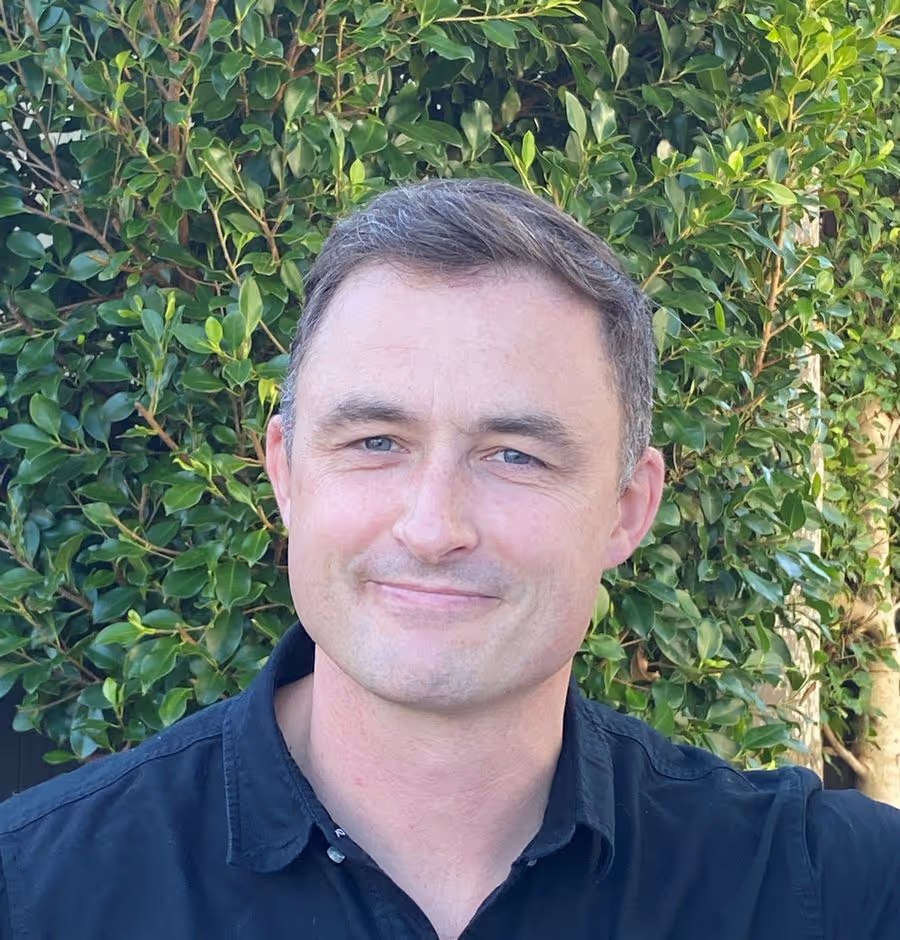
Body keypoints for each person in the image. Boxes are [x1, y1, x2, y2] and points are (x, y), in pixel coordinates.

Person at [1, 179, 898, 940]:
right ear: (286, 473)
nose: (433, 529)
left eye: (515, 455)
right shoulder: (35, 894)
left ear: (627, 509)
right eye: (375, 442)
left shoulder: (831, 895)